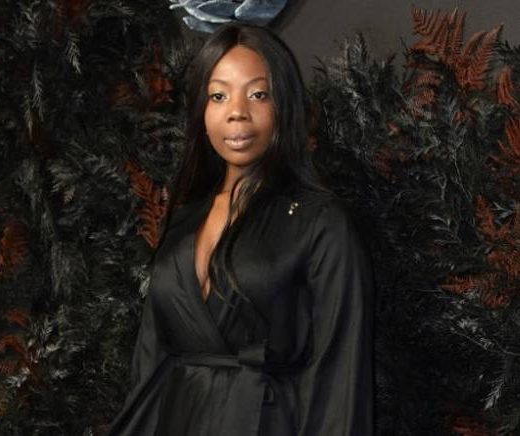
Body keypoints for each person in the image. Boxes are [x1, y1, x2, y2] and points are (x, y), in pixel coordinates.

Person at [109, 23, 374, 436]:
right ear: (202, 110)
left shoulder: (321, 222)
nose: (237, 111)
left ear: (285, 106)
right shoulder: (184, 219)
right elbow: (149, 365)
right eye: (219, 96)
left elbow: (340, 376)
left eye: (258, 94)